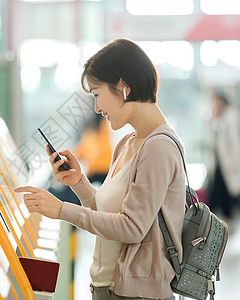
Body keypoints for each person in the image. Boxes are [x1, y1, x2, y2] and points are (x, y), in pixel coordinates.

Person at [14, 38, 185, 300]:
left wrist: (61, 210)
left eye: (96, 94)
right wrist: (78, 182)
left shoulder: (159, 147)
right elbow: (108, 214)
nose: (97, 108)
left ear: (123, 87)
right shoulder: (129, 143)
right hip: (110, 290)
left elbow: (132, 228)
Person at [205, 92, 240, 232]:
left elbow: (236, 143)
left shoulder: (231, 117)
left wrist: (234, 164)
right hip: (223, 165)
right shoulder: (221, 118)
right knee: (230, 194)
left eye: (216, 102)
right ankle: (216, 225)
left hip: (232, 165)